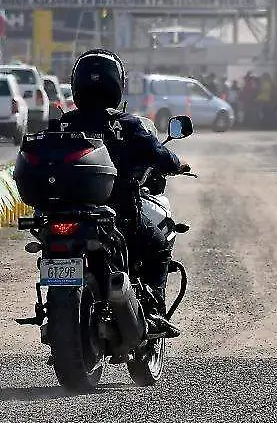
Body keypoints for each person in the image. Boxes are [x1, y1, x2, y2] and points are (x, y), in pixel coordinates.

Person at [58, 49, 188, 337]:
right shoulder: (126, 124)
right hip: (120, 214)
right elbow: (159, 155)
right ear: (116, 83)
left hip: (66, 213)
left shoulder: (62, 125)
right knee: (159, 245)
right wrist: (178, 164)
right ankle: (153, 313)